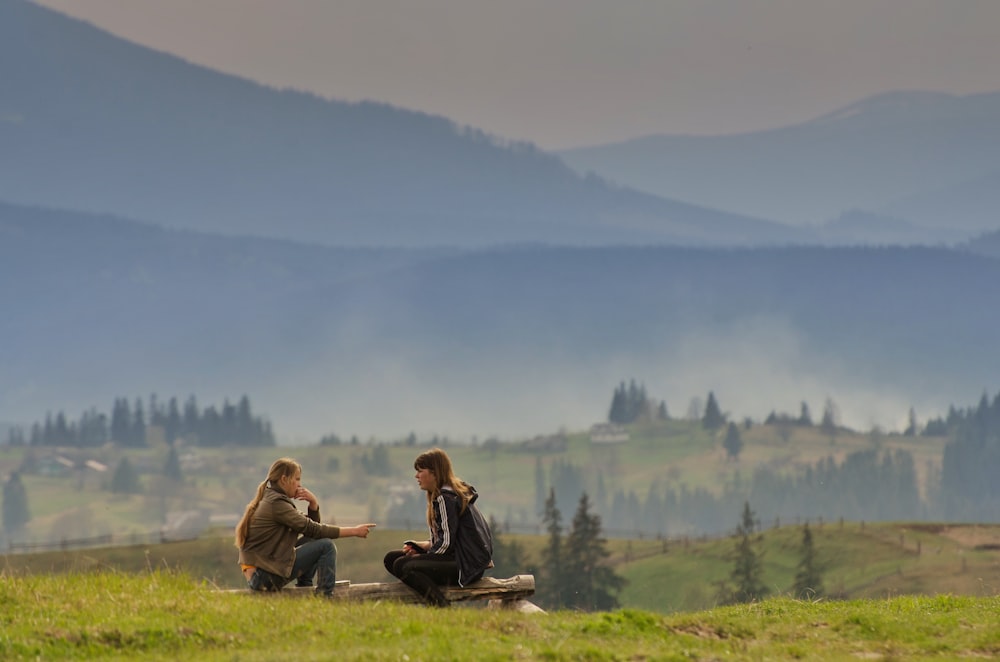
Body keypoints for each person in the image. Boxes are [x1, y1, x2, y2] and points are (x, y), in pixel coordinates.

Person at [235, 457, 375, 597]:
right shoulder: (276, 504)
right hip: (263, 578)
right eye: (297, 479)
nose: (299, 485)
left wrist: (313, 505)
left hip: (262, 575)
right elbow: (315, 529)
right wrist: (355, 531)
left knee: (314, 541)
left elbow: (311, 531)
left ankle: (305, 589)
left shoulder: (272, 499)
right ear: (284, 479)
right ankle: (325, 598)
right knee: (327, 546)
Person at [383, 448, 493, 607]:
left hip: (465, 566)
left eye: (420, 471)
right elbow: (444, 539)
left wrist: (423, 557)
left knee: (403, 566)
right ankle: (433, 596)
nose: (416, 476)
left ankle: (441, 606)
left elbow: (446, 544)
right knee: (391, 558)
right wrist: (422, 547)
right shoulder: (444, 495)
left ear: (434, 473)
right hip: (461, 560)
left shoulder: (445, 498)